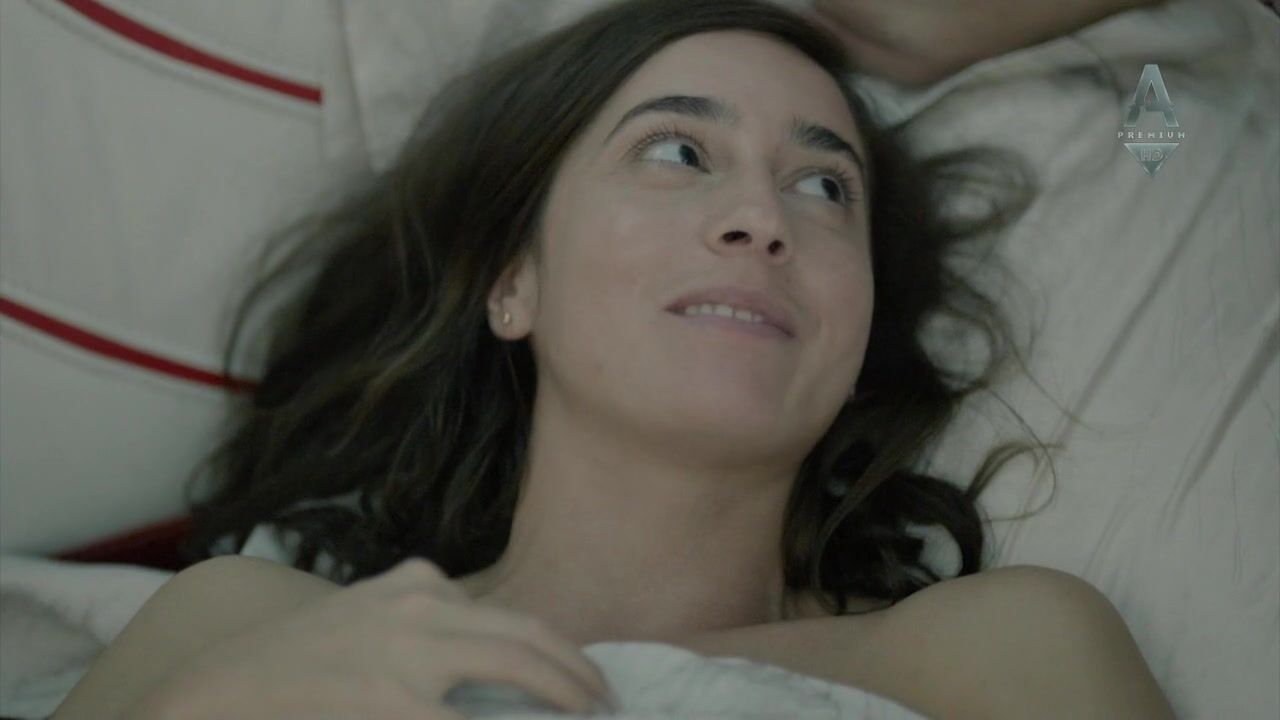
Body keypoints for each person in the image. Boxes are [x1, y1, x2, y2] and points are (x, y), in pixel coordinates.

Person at [54, 1, 1177, 718]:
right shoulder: (244, 626)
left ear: (859, 337)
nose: (762, 218)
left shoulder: (995, 651)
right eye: (677, 151)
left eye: (823, 185)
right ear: (512, 281)